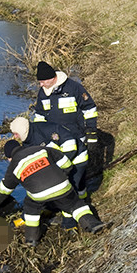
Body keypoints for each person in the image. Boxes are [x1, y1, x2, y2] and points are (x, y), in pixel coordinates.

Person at [0, 140, 105, 246]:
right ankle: (93, 224)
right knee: (75, 205)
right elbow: (66, 164)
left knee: (31, 207)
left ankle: (31, 239)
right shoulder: (42, 149)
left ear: (9, 157)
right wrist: (61, 177)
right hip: (62, 186)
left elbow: (4, 190)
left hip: (39, 195)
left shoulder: (13, 166)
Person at [33, 61, 98, 203]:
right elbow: (39, 116)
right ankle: (66, 203)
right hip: (55, 141)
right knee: (60, 173)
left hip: (77, 137)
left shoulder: (74, 88)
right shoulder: (43, 93)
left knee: (78, 172)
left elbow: (90, 109)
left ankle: (82, 201)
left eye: (43, 81)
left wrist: (91, 133)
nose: (41, 85)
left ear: (52, 78)